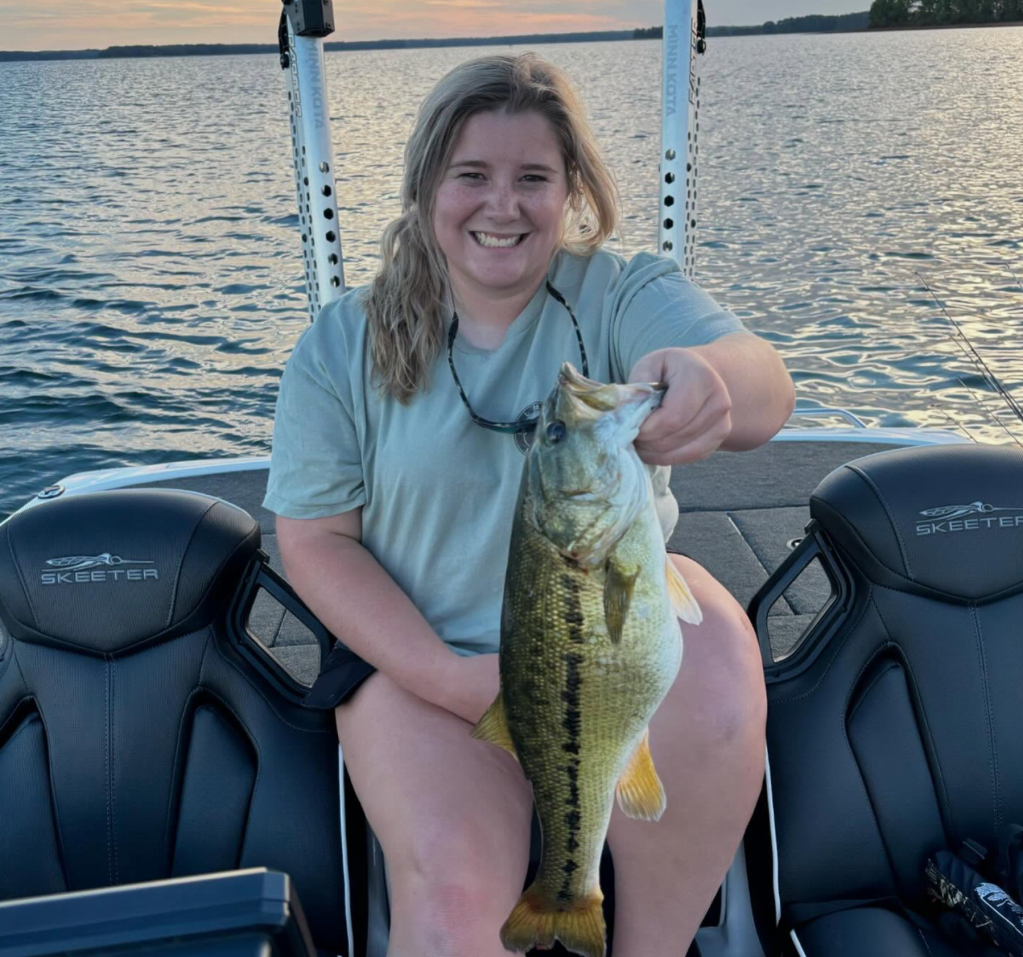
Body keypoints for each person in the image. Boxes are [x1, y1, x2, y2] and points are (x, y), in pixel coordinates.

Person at [263, 52, 794, 956]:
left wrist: (709, 379)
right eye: (470, 174)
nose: (501, 205)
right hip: (425, 661)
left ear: (571, 189)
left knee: (714, 668)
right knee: (452, 907)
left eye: (533, 178)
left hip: (611, 638)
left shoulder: (623, 292)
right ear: (425, 185)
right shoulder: (339, 343)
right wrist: (454, 678)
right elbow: (314, 542)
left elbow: (764, 385)